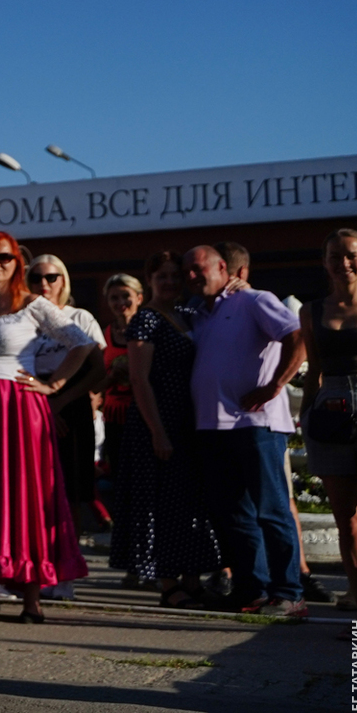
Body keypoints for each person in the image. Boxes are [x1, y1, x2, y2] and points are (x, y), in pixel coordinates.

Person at [0, 231, 96, 623]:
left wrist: (54, 384)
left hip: (18, 408)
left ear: (17, 263)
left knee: (24, 496)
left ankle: (32, 599)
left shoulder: (33, 304)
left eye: (4, 257)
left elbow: (82, 343)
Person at [184, 245, 308, 618]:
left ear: (223, 267)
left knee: (271, 511)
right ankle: (252, 590)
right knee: (233, 515)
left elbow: (298, 336)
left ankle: (289, 594)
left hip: (255, 424)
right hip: (212, 427)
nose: (191, 276)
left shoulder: (254, 300)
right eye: (187, 271)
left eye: (198, 268)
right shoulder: (197, 313)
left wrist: (275, 386)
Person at [108, 253, 219, 607]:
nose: (170, 282)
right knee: (161, 505)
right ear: (150, 281)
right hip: (158, 423)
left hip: (191, 421)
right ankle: (169, 584)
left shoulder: (188, 313)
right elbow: (139, 379)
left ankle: (192, 580)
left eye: (175, 276)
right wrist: (157, 431)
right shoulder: (145, 319)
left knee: (191, 503)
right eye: (162, 276)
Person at [299, 229, 357, 635]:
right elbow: (314, 369)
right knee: (348, 521)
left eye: (351, 256)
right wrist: (307, 418)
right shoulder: (311, 311)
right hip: (331, 412)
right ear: (325, 262)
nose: (343, 263)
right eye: (334, 256)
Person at [27, 255, 108, 535]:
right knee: (33, 483)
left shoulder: (80, 317)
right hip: (31, 402)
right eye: (36, 277)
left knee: (72, 487)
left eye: (51, 277)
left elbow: (99, 370)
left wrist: (60, 401)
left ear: (64, 281)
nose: (44, 283)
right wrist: (44, 406)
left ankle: (70, 549)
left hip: (73, 402)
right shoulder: (20, 319)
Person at [97, 273, 144, 576]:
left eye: (126, 296)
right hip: (116, 419)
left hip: (145, 417)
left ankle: (147, 557)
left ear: (139, 297)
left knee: (144, 490)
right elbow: (97, 382)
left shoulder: (149, 330)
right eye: (114, 297)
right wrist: (112, 377)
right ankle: (130, 561)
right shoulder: (105, 335)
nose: (120, 303)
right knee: (122, 489)